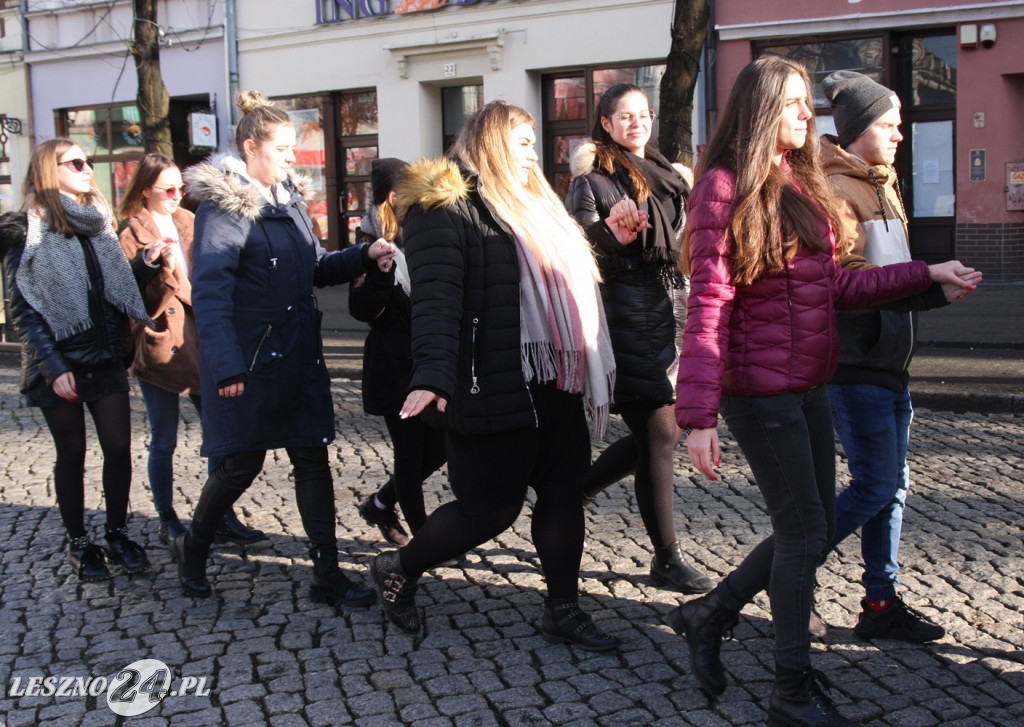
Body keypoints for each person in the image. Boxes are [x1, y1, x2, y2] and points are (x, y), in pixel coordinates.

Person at [666, 57, 976, 726]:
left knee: (805, 527)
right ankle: (791, 687)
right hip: (759, 389)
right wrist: (698, 413)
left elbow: (840, 288)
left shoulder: (800, 183)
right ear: (759, 112)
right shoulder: (723, 187)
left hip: (808, 383)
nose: (809, 117)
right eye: (795, 105)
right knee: (806, 531)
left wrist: (927, 278)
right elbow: (709, 303)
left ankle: (711, 613)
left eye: (810, 105)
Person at [371, 101, 620, 650]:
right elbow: (436, 303)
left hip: (555, 378)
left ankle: (562, 610)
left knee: (562, 494)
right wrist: (433, 376)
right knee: (491, 510)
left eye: (535, 141)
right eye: (523, 141)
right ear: (490, 142)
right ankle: (398, 568)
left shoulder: (538, 205)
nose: (535, 152)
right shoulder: (446, 208)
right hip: (490, 382)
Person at [171, 91, 395, 606]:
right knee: (239, 466)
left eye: (294, 149)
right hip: (249, 363)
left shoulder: (288, 202)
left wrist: (365, 254)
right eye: (284, 149)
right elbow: (210, 293)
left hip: (297, 355)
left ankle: (326, 576)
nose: (293, 159)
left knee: (312, 459)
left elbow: (315, 268)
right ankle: (194, 544)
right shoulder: (223, 208)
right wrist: (225, 364)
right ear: (251, 148)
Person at [816, 70, 981, 642]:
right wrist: (927, 273)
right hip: (857, 364)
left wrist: (935, 290)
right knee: (874, 486)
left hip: (889, 363)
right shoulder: (837, 189)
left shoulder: (881, 182)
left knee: (892, 487)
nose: (899, 135)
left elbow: (888, 285)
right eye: (889, 125)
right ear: (859, 129)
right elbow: (849, 282)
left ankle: (880, 605)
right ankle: (787, 572)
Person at [566, 83, 711, 594]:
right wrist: (609, 233)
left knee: (661, 433)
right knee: (660, 432)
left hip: (671, 311)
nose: (637, 123)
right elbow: (577, 251)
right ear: (605, 124)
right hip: (624, 318)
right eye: (624, 116)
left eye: (643, 114)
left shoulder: (670, 175)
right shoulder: (592, 181)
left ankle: (576, 490)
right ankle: (666, 557)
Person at [0, 139, 154, 582]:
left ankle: (118, 533)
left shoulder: (98, 224)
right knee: (71, 453)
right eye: (77, 163)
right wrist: (54, 367)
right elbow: (23, 309)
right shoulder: (25, 231)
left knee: (119, 449)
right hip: (59, 361)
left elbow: (113, 288)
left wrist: (142, 266)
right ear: (51, 170)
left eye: (88, 161)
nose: (89, 169)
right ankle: (79, 543)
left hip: (104, 356)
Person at [117, 153, 267, 547]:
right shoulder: (131, 232)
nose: (176, 195)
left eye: (180, 188)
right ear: (146, 189)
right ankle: (167, 516)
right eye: (168, 188)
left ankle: (219, 513)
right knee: (163, 438)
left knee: (220, 434)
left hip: (202, 342)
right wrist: (152, 266)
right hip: (162, 347)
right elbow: (125, 295)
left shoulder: (191, 220)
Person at [350, 157, 447, 545]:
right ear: (391, 197)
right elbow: (361, 310)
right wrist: (383, 273)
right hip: (393, 368)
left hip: (427, 361)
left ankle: (379, 504)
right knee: (409, 456)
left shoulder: (422, 232)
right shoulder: (370, 245)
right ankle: (424, 540)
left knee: (439, 450)